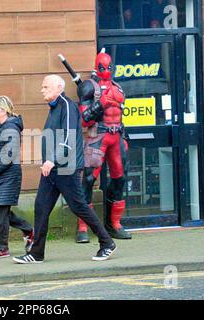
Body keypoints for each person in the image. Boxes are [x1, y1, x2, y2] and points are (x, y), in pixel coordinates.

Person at [12, 75, 116, 264]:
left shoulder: (67, 105)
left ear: (59, 87)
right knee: (41, 207)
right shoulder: (53, 108)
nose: (42, 90)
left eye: (46, 87)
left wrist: (52, 159)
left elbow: (68, 137)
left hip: (66, 168)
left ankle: (107, 242)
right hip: (52, 170)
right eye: (42, 87)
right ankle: (36, 254)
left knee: (78, 206)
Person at [74, 49, 132, 243]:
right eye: (103, 67)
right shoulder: (89, 87)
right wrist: (100, 105)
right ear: (97, 68)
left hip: (117, 137)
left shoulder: (119, 87)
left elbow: (122, 114)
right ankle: (83, 226)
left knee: (120, 179)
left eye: (109, 67)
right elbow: (84, 119)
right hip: (98, 136)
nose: (107, 71)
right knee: (88, 180)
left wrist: (124, 137)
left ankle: (114, 223)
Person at [0, 95, 34, 259]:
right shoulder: (3, 127)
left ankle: (1, 248)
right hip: (4, 175)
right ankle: (30, 231)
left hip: (8, 176)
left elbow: (9, 154)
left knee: (0, 213)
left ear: (4, 111)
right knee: (3, 213)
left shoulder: (10, 128)